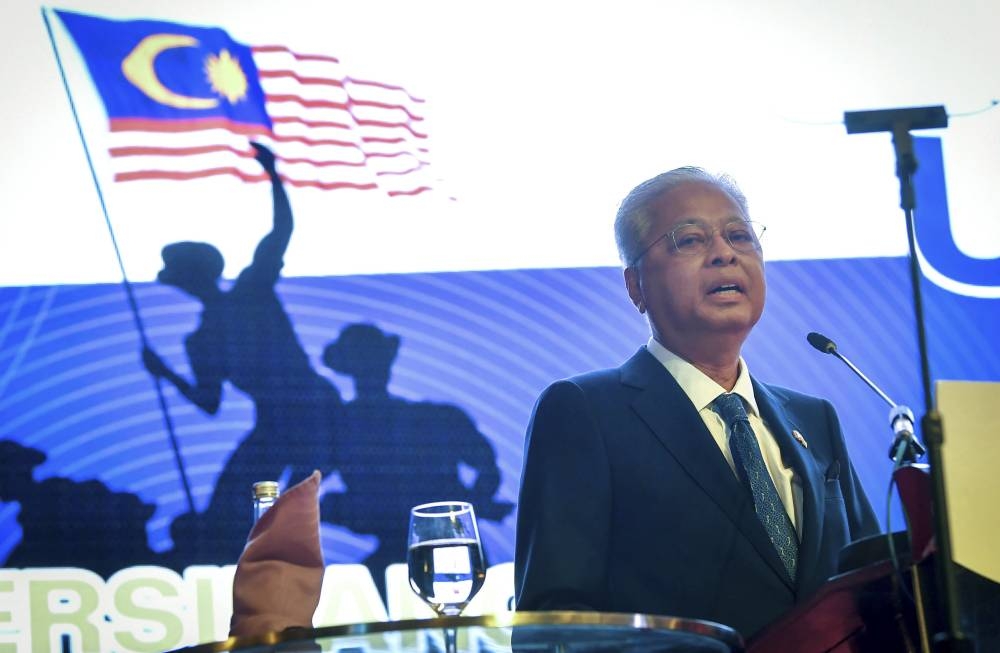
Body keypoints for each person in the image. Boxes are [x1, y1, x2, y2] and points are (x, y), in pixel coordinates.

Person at [514, 167, 878, 638]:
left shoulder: (815, 419)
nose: (724, 253)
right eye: (689, 240)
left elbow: (872, 581)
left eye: (739, 236)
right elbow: (554, 624)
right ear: (635, 287)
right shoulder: (586, 411)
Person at [142, 143, 342, 563]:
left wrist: (272, 172)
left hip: (314, 409)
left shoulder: (251, 290)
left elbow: (280, 230)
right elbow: (211, 403)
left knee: (296, 504)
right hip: (273, 421)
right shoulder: (200, 340)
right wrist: (166, 374)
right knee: (230, 504)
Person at [320, 323, 513, 595]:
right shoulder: (340, 426)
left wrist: (464, 511)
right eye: (362, 358)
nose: (370, 367)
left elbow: (487, 468)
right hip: (393, 560)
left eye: (373, 356)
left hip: (451, 557)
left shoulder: (438, 418)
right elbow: (310, 484)